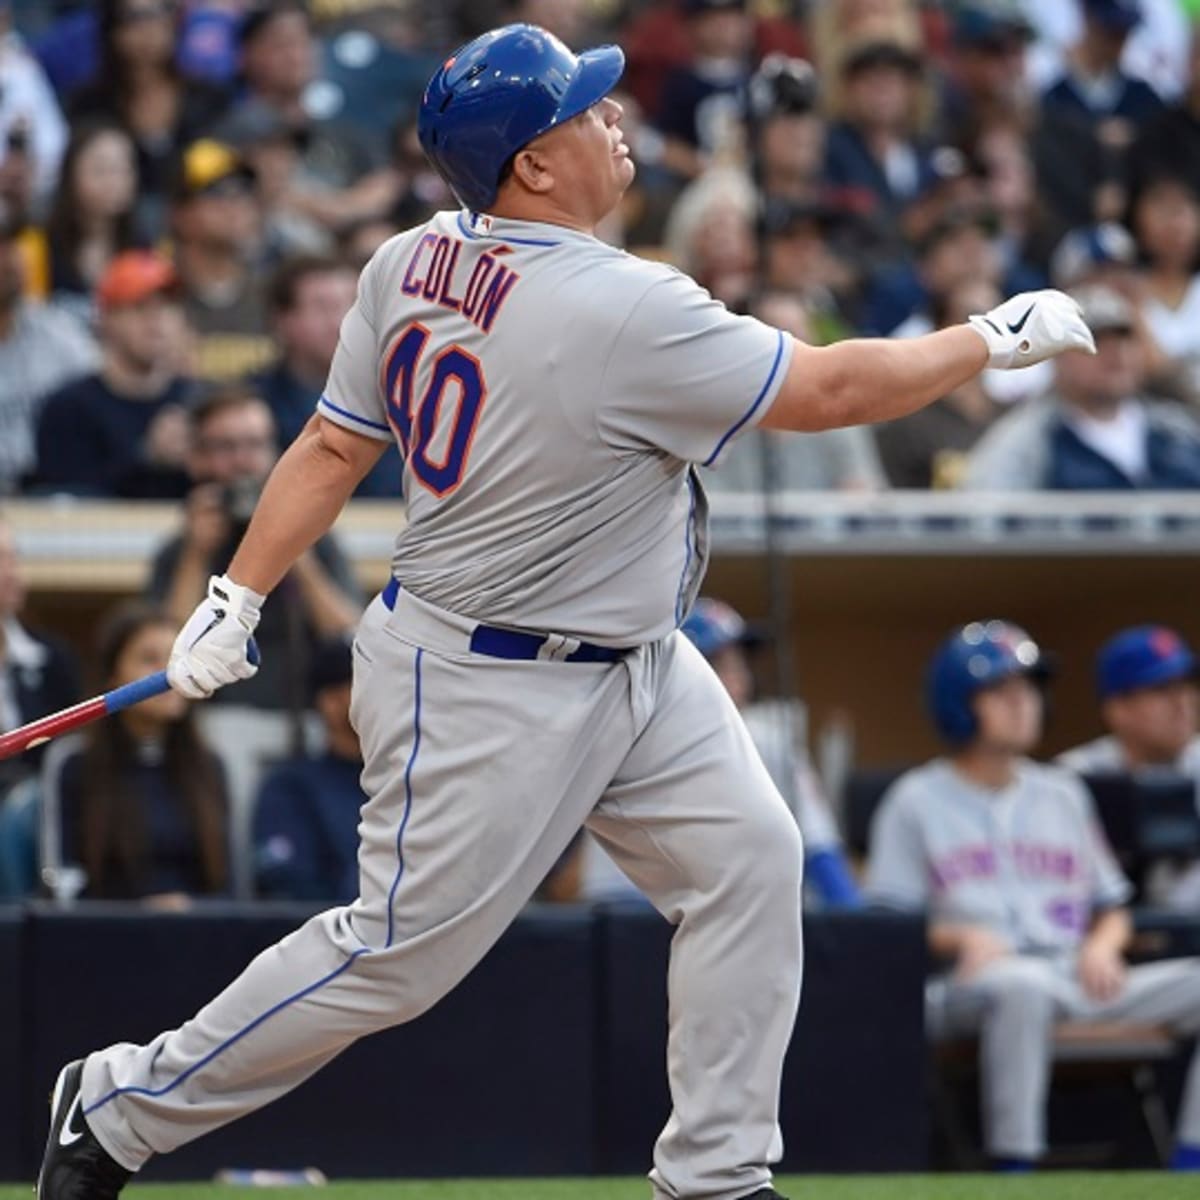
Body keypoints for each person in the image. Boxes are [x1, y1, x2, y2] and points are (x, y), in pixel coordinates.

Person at [35, 23, 1094, 1200]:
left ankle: (717, 1175)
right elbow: (830, 387)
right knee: (395, 959)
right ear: (531, 165)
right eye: (585, 110)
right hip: (489, 677)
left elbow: (334, 446)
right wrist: (984, 339)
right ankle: (118, 1106)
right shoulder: (620, 304)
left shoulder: (412, 257)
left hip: (635, 657)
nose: (615, 118)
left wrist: (239, 596)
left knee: (750, 859)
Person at [866, 619, 1200, 1172]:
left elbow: (1112, 906)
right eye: (1002, 691)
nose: (1024, 704)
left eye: (1029, 689)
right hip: (967, 986)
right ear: (957, 701)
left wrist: (1103, 946)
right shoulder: (914, 799)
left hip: (1072, 971)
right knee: (1020, 987)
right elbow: (886, 924)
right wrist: (960, 934)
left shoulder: (1062, 792)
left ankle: (1188, 1166)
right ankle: (1014, 1170)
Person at [42, 604, 229, 904]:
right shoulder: (74, 762)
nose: (170, 674)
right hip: (103, 939)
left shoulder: (210, 764)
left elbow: (230, 886)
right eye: (149, 659)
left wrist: (192, 910)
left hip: (195, 937)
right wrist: (138, 915)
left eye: (178, 660)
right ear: (112, 676)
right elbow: (61, 883)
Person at [962, 283, 1200, 489]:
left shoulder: (1176, 431)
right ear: (1056, 357)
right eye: (1093, 341)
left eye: (1124, 339)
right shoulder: (1027, 442)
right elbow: (985, 521)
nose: (1116, 354)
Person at [1058, 625, 1200, 909]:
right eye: (1161, 689)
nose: (1181, 702)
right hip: (1105, 941)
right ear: (1117, 709)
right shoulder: (1070, 779)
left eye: (1186, 685)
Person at [33, 250, 193, 499]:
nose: (157, 321)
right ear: (105, 319)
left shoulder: (197, 399)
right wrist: (146, 458)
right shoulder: (69, 408)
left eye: (168, 306)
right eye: (140, 308)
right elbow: (64, 505)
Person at [249, 254, 401, 497]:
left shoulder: (405, 397)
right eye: (322, 307)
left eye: (354, 306)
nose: (342, 322)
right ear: (283, 320)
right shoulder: (252, 402)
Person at [253, 634, 365, 902]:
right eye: (362, 686)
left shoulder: (415, 780)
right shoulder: (290, 787)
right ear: (330, 701)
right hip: (331, 934)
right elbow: (285, 882)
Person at [0, 217, 97, 496]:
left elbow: (101, 393)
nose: (8, 260)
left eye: (11, 245)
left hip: (50, 498)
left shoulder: (57, 330)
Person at [169, 138, 275, 383]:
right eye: (218, 194)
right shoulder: (159, 294)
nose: (236, 206)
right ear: (180, 213)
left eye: (244, 193)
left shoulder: (273, 292)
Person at [0, 512, 79, 788]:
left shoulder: (53, 658)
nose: (11, 572)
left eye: (14, 558)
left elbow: (71, 754)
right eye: (0, 559)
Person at [43, 120, 142, 320]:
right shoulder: (40, 246)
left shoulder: (142, 247)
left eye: (123, 169)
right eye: (101, 169)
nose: (114, 181)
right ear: (70, 174)